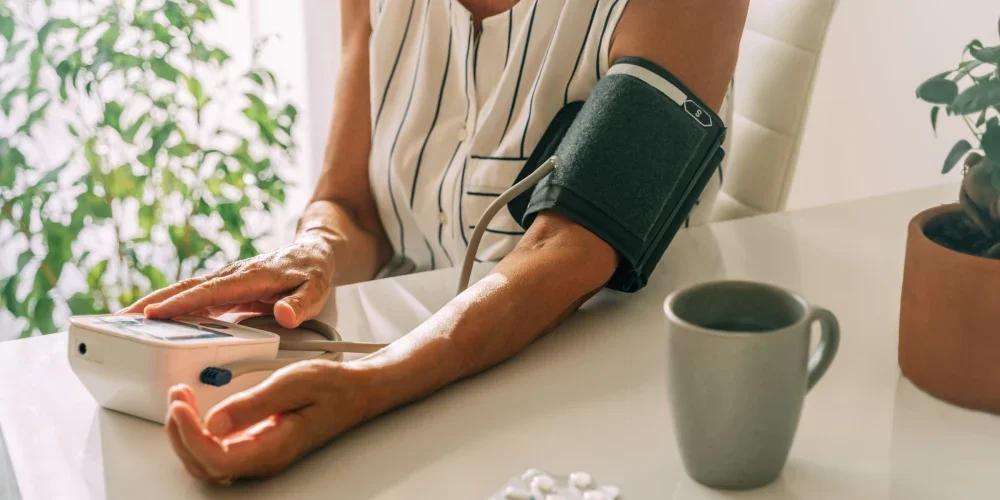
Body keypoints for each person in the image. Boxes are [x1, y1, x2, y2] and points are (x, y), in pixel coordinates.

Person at [122, 0, 748, 483]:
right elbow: (352, 207)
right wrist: (315, 248)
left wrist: (368, 387)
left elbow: (567, 249)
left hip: (603, 406)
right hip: (411, 393)